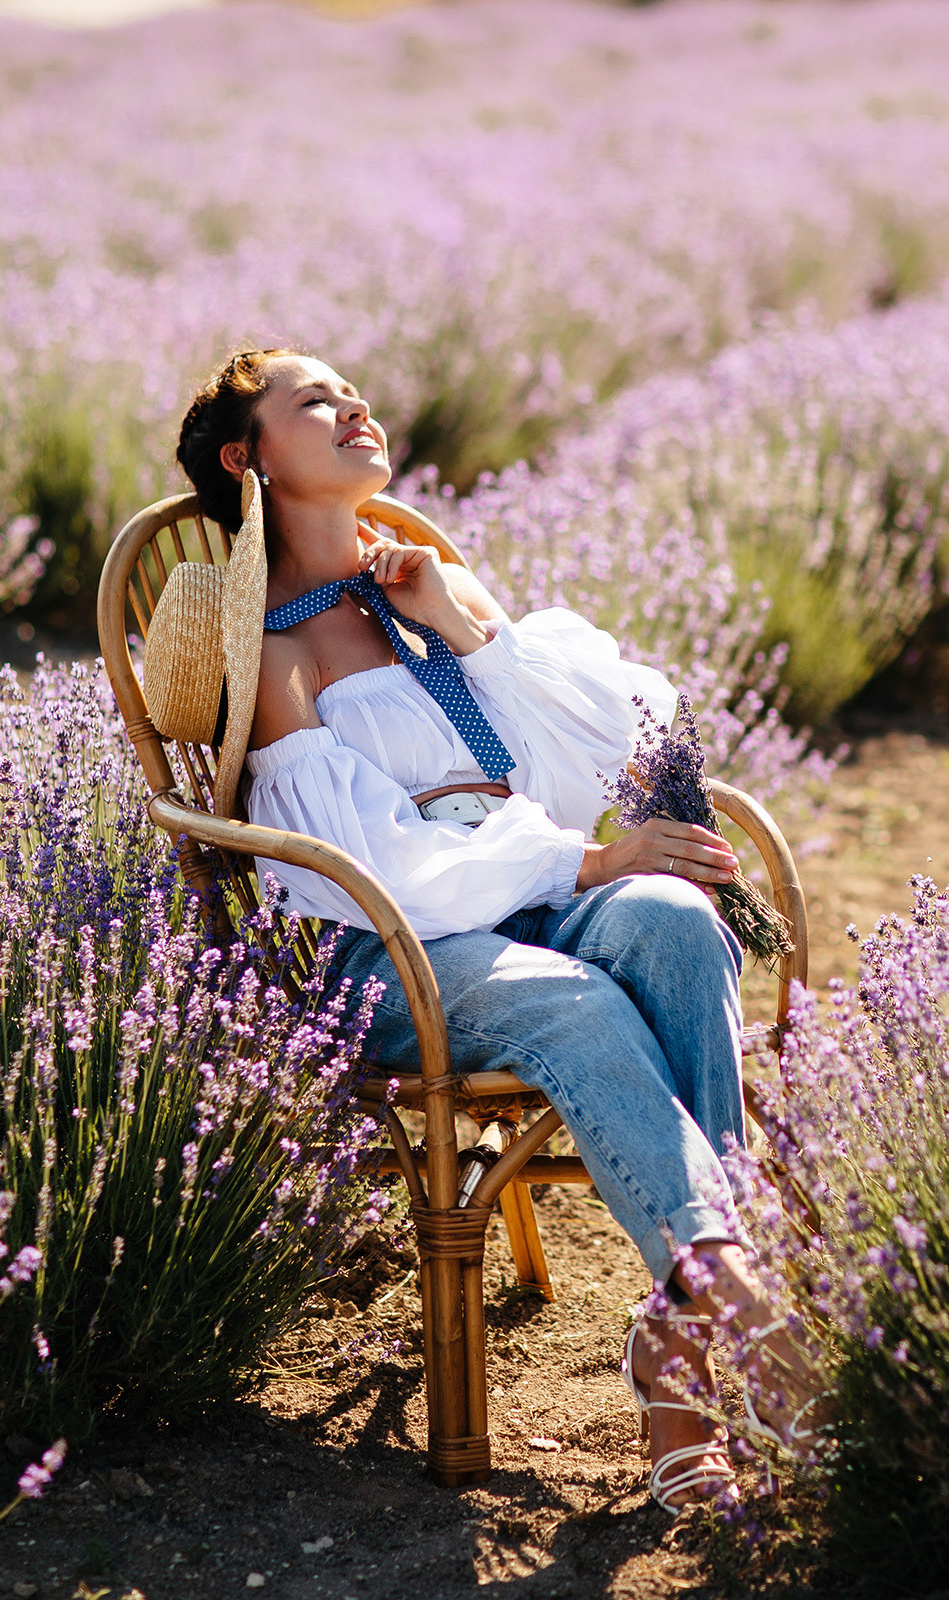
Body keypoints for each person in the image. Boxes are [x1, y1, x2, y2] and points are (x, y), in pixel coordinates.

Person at [139, 348, 819, 1512]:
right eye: (314, 400)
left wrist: (461, 623)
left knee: (671, 917)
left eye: (351, 388)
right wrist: (587, 859)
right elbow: (378, 871)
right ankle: (735, 1303)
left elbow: (572, 768)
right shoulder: (277, 656)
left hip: (534, 901)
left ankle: (681, 1334)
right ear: (249, 458)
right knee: (581, 996)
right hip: (398, 952)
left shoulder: (426, 593)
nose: (354, 403)